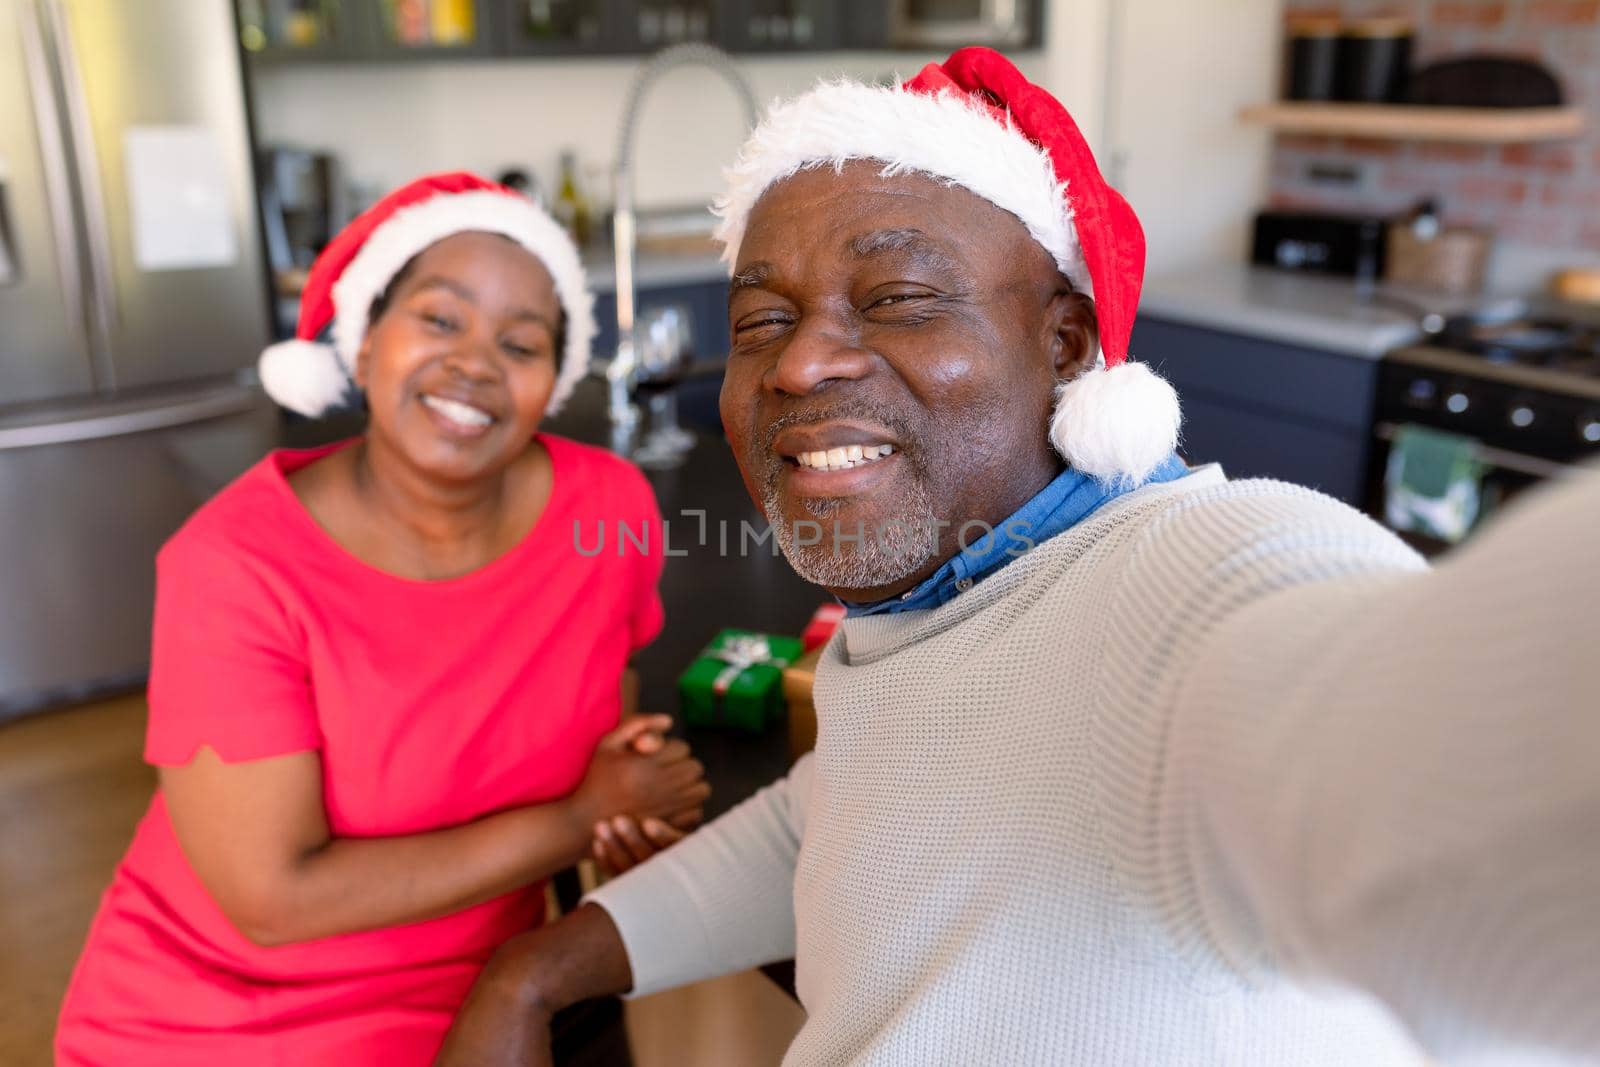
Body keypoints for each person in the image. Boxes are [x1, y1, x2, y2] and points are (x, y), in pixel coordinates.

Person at [435, 51, 1600, 1067]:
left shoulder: (1195, 575)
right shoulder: (935, 609)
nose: (798, 366)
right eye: (761, 321)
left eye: (895, 296)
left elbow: (1449, 773)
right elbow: (836, 809)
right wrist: (533, 970)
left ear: (1066, 341)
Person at [55, 173, 708, 1067]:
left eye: (520, 343)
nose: (475, 361)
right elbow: (273, 898)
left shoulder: (609, 509)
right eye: (440, 320)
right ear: (362, 346)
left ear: (552, 383)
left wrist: (618, 814)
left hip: (484, 991)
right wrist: (580, 816)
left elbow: (603, 738)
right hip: (223, 1021)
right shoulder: (236, 567)